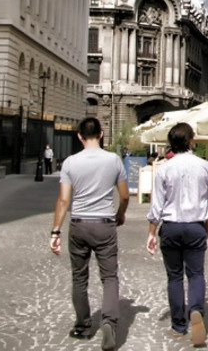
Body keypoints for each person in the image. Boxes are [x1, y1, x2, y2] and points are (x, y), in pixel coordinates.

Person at [49, 117, 129, 351]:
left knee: (79, 277)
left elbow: (64, 200)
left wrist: (55, 230)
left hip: (79, 224)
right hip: (104, 224)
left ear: (79, 137)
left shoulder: (70, 162)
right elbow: (125, 195)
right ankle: (109, 323)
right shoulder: (113, 160)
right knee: (109, 277)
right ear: (102, 134)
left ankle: (83, 326)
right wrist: (120, 214)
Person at [146, 123, 208, 346]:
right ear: (191, 141)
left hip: (172, 227)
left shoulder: (165, 168)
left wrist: (151, 232)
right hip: (195, 225)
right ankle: (196, 310)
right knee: (196, 273)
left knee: (174, 276)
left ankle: (178, 325)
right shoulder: (204, 166)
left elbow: (156, 205)